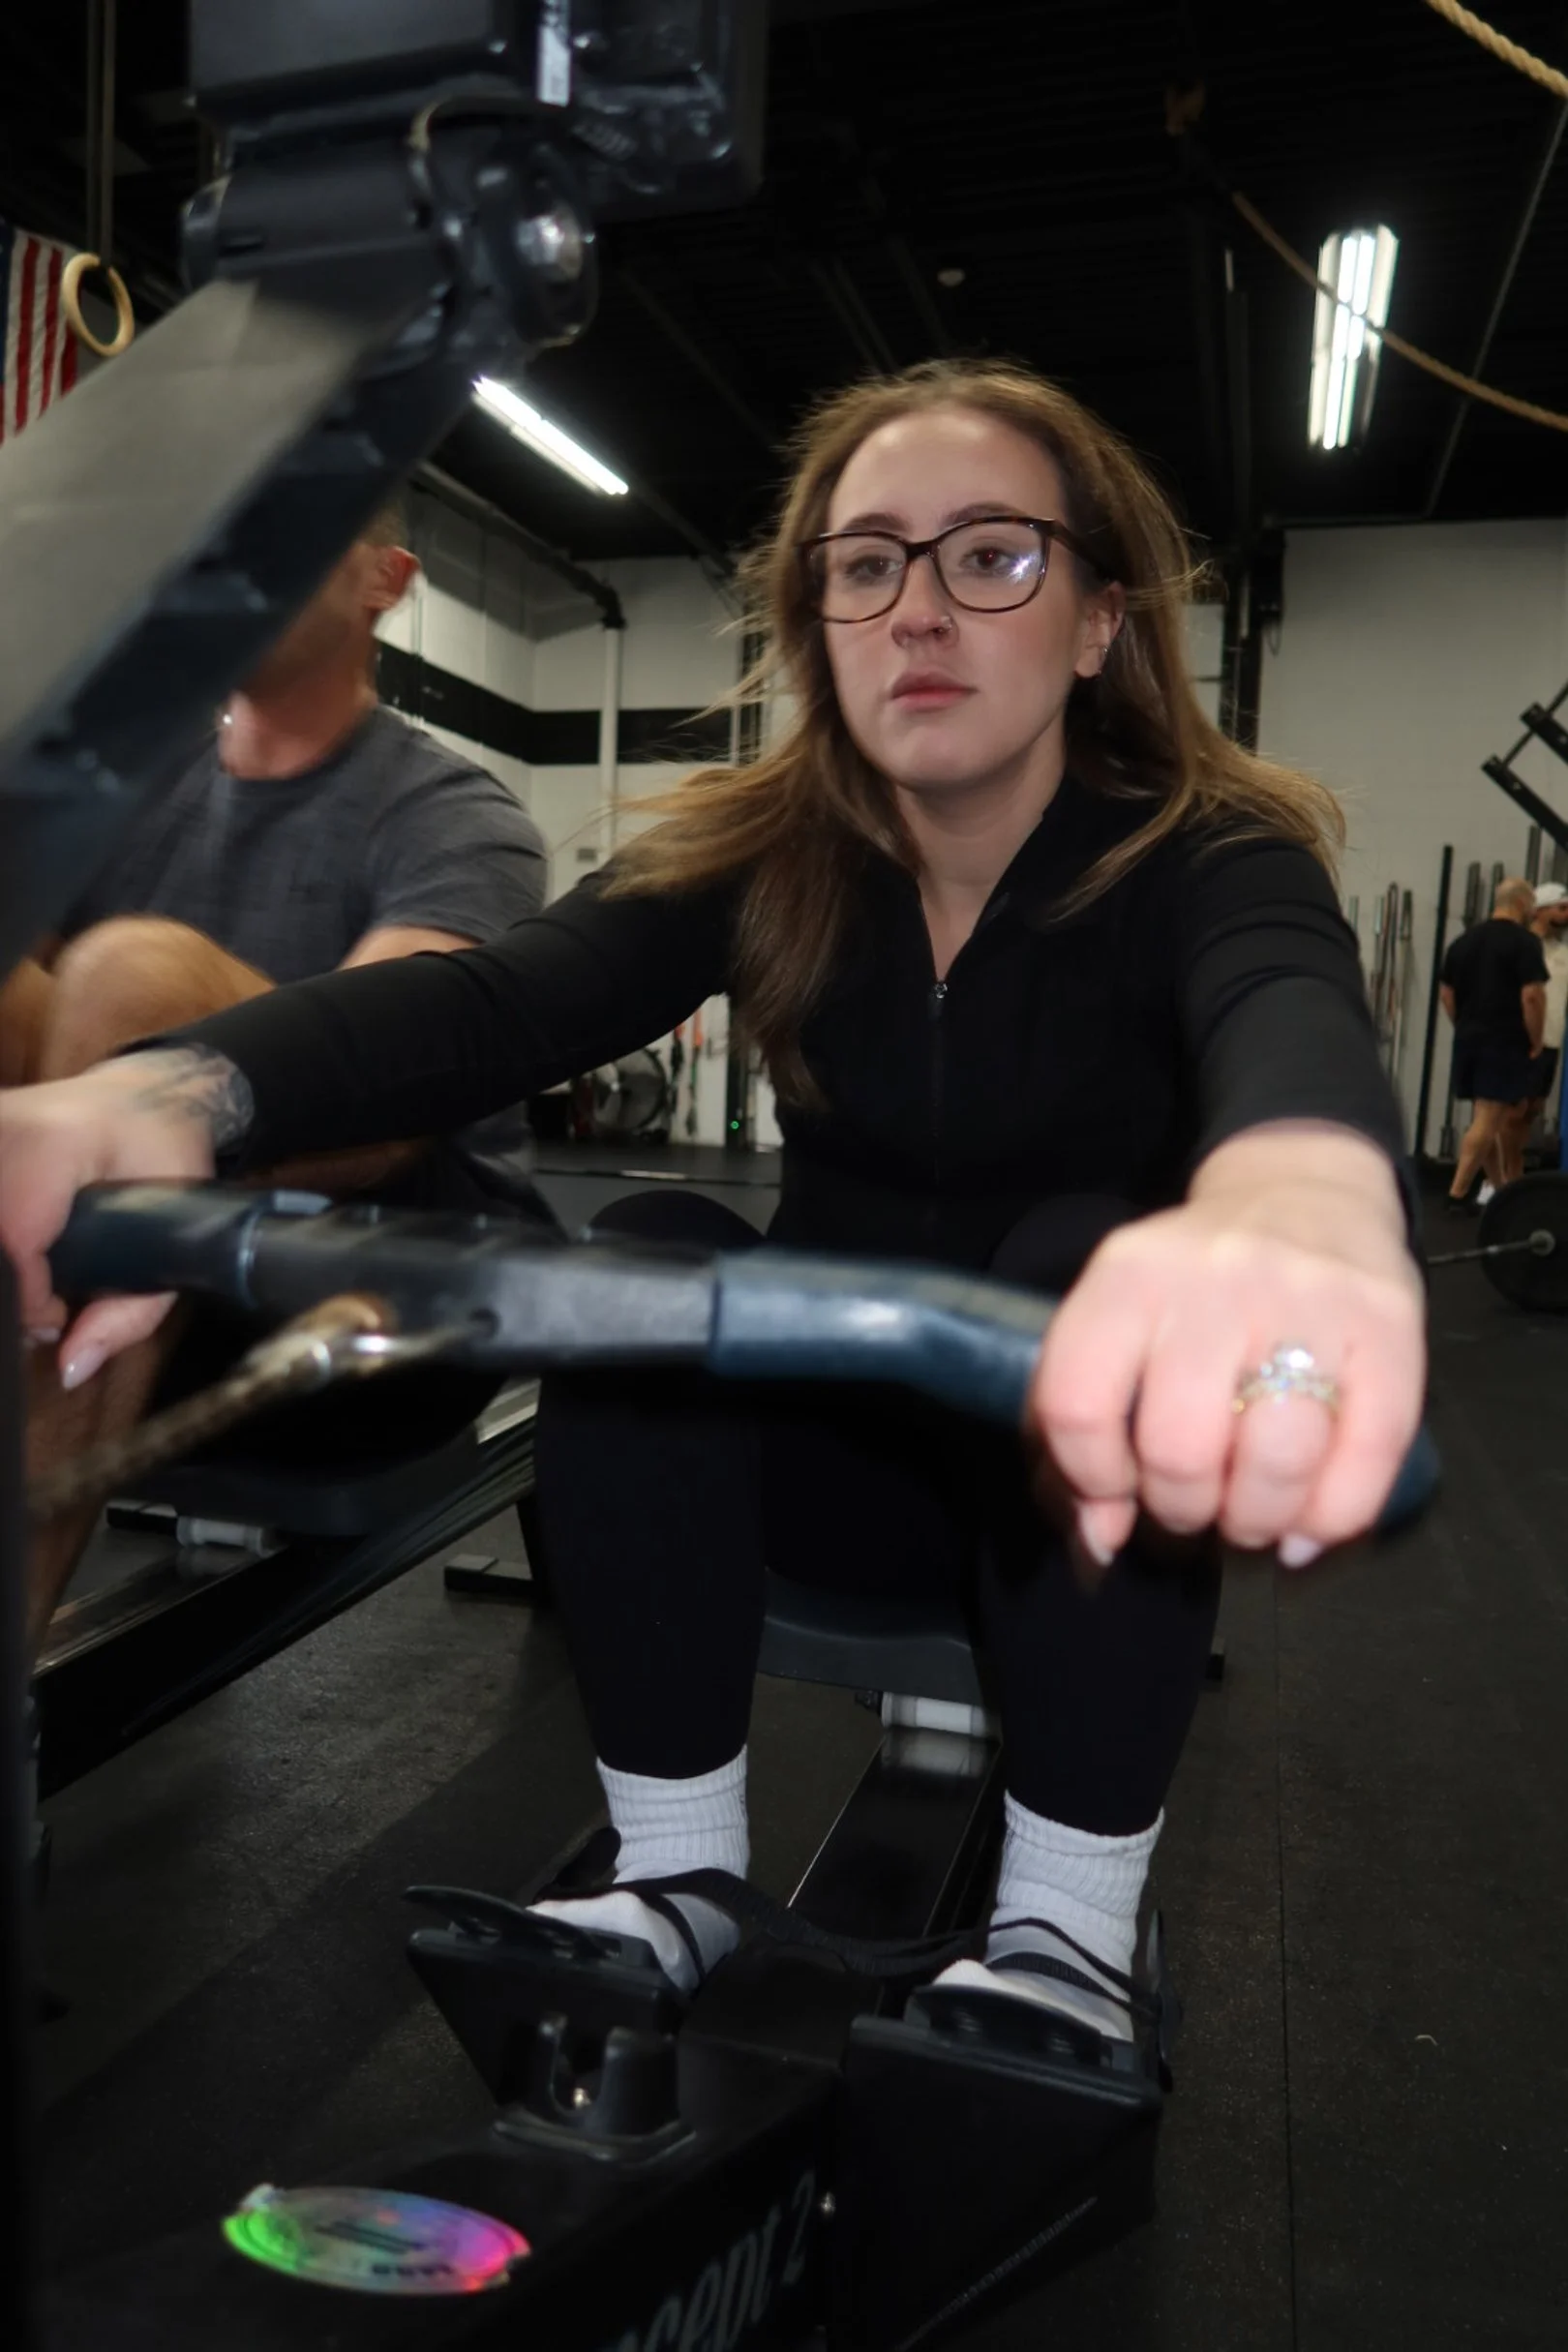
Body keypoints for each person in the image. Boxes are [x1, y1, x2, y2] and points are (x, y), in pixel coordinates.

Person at [0, 360, 1425, 2039]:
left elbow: (1287, 1014)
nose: (919, 608)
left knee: (1079, 1259)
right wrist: (171, 1087)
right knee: (649, 1261)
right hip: (811, 1485)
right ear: (820, 618)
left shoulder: (1208, 857)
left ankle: (1065, 1937)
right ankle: (671, 1875)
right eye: (867, 561)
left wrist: (1296, 1198)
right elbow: (497, 1003)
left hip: (1072, 1509)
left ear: (1100, 617)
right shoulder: (772, 854)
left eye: (993, 556)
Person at [1, 498, 549, 1645]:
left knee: (134, 980)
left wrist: (140, 1095)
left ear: (383, 581)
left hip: (385, 1303)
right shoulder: (132, 793)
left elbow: (398, 1100)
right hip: (144, 1295)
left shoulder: (451, 811)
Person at [1439, 878, 1549, 1209]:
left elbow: (1447, 994)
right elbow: (1532, 996)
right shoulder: (1524, 942)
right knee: (1488, 1119)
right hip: (1504, 1040)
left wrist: (1464, 1025)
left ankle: (1502, 1193)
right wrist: (1536, 1039)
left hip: (1470, 1037)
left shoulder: (1463, 942)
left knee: (1490, 1118)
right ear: (1523, 904)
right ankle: (1456, 1194)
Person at [1498, 879, 1568, 1183]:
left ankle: (1514, 1179)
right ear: (1539, 911)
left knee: (1530, 1112)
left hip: (1551, 1043)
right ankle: (1497, 1180)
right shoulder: (1521, 947)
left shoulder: (1564, 952)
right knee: (1510, 1114)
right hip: (1521, 1041)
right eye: (1562, 909)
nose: (1566, 916)